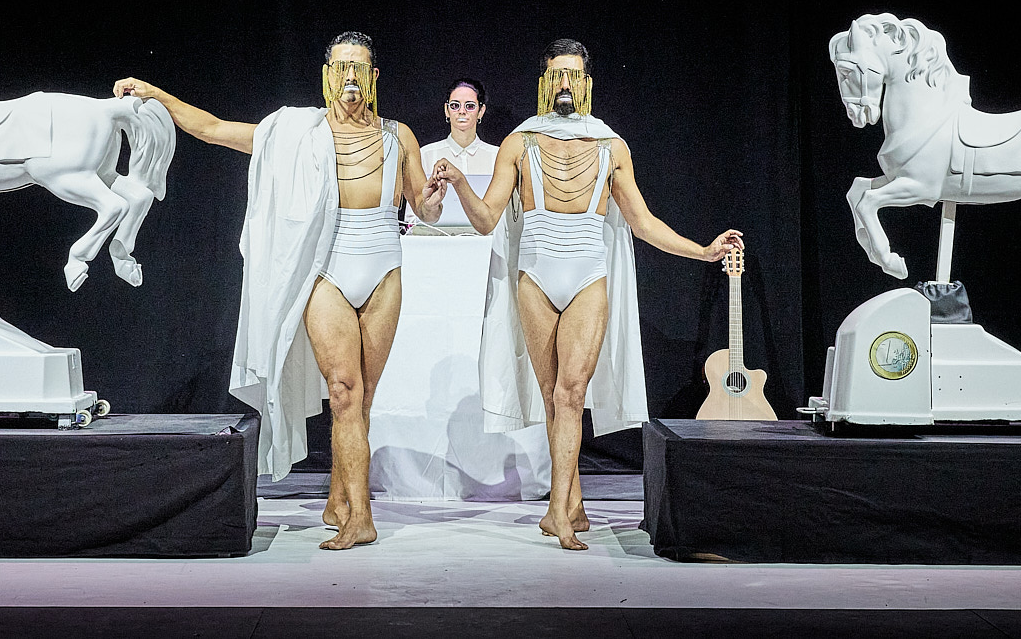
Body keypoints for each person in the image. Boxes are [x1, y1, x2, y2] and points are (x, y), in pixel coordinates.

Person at [114, 32, 447, 550]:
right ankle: (362, 516)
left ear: (375, 76)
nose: (350, 77)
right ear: (327, 73)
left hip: (384, 269)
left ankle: (339, 500)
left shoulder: (397, 135)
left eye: (359, 68)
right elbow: (216, 129)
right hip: (326, 271)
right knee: (344, 391)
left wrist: (432, 199)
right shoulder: (297, 133)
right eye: (341, 67)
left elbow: (423, 209)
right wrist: (155, 93)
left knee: (362, 400)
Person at [433, 39, 743, 551]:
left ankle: (557, 510)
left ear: (587, 84)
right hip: (535, 278)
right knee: (557, 400)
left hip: (587, 280)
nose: (564, 84)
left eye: (573, 75)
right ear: (544, 82)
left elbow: (642, 223)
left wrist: (703, 252)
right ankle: (570, 503)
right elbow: (488, 219)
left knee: (572, 395)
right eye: (556, 74)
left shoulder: (609, 146)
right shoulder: (521, 142)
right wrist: (463, 183)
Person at [419, 78, 499, 176]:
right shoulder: (426, 155)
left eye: (470, 106)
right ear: (446, 110)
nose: (462, 111)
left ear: (481, 111)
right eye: (455, 106)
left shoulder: (497, 156)